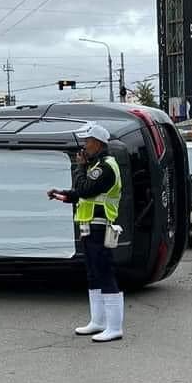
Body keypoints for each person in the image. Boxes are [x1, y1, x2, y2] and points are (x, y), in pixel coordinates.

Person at [47, 122, 125, 342]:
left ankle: (114, 326)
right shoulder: (95, 165)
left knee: (104, 272)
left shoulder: (106, 166)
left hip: (100, 226)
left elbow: (86, 189)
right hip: (89, 226)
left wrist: (79, 167)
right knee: (93, 273)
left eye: (87, 142)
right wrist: (62, 194)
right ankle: (98, 321)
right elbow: (82, 193)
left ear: (98, 144)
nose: (84, 147)